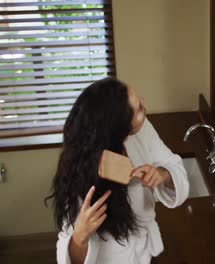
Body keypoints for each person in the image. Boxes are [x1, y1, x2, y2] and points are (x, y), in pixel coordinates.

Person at [45, 78, 189, 263]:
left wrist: (163, 174)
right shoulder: (80, 169)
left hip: (145, 254)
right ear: (117, 128)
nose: (144, 106)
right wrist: (80, 237)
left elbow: (172, 163)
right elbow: (67, 254)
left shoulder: (142, 130)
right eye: (137, 109)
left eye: (140, 101)